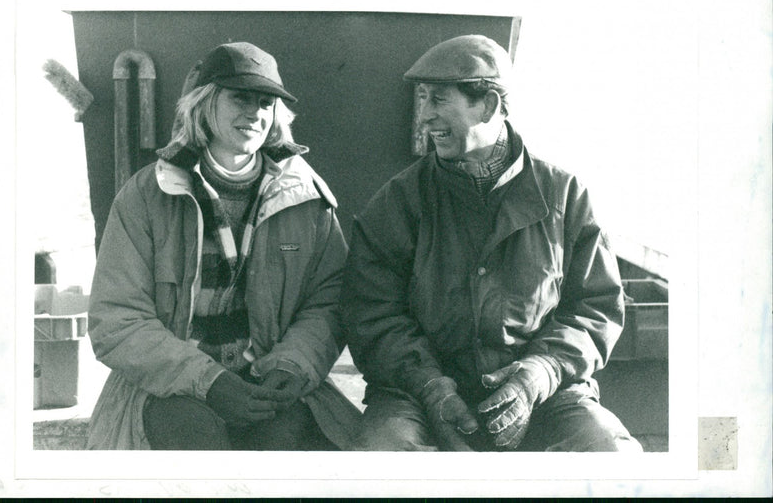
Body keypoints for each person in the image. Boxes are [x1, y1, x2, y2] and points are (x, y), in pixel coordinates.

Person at [341, 34, 642, 452]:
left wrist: (539, 373)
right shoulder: (398, 202)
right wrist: (432, 389)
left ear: (488, 105)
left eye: (439, 100)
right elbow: (372, 313)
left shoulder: (565, 196)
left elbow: (596, 308)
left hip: (546, 394)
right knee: (380, 461)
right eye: (423, 99)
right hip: (417, 394)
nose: (425, 116)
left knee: (610, 455)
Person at [86, 41, 360, 450]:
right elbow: (117, 319)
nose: (254, 112)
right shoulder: (145, 195)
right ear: (205, 104)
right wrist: (210, 382)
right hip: (168, 385)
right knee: (194, 439)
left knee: (285, 441)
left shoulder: (306, 199)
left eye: (266, 103)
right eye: (240, 98)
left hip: (268, 383)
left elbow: (329, 302)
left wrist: (293, 364)